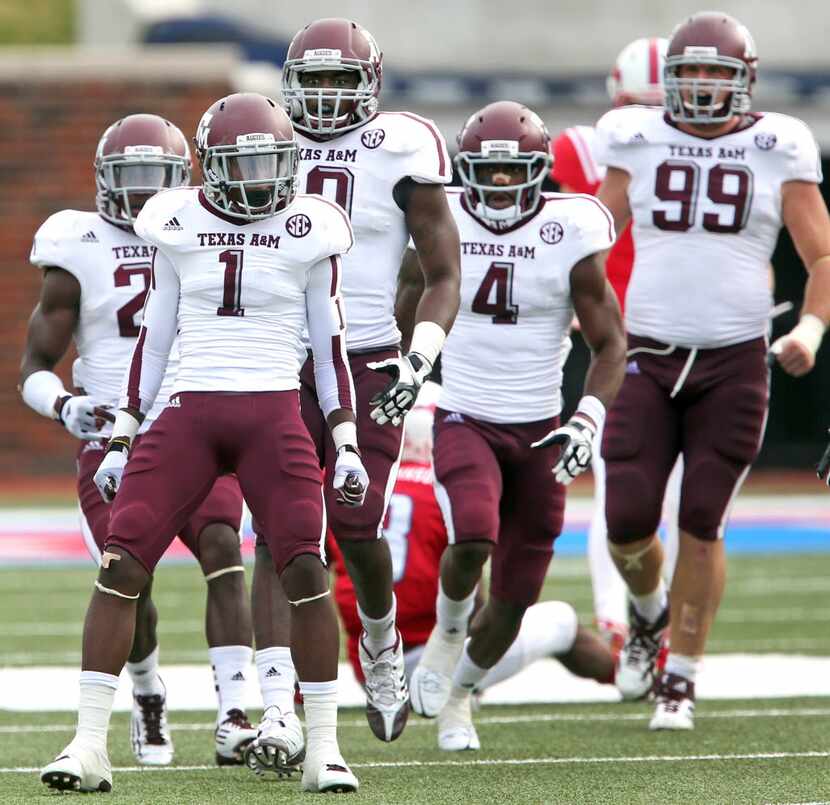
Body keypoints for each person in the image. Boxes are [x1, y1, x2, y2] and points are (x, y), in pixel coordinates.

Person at [40, 93, 367, 794]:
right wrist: (127, 426)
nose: (260, 179)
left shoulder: (313, 226)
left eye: (272, 162)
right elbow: (155, 337)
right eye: (244, 163)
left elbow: (329, 342)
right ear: (212, 168)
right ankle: (88, 741)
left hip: (274, 411)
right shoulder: (174, 220)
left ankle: (324, 748)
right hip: (186, 410)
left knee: (305, 568)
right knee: (122, 560)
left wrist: (345, 437)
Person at [594, 11, 830, 730]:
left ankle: (681, 677)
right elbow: (591, 236)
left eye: (714, 74)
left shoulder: (778, 143)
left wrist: (812, 328)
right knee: (625, 518)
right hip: (647, 352)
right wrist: (580, 305)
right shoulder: (635, 136)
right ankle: (647, 612)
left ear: (744, 82)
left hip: (733, 361)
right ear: (668, 79)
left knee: (703, 518)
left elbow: (821, 255)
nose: (699, 86)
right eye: (688, 72)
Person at [245, 16, 460, 771]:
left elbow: (440, 275)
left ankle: (379, 639)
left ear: (369, 84)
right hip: (276, 358)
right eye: (316, 83)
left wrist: (417, 359)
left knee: (356, 525)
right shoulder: (263, 138)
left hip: (368, 356)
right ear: (289, 87)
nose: (329, 99)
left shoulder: (404, 145)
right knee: (276, 534)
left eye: (343, 81)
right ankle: (277, 706)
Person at [20, 113, 257, 767]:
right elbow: (33, 368)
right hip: (110, 440)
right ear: (103, 182)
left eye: (157, 180)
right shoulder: (78, 245)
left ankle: (235, 713)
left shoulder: (208, 233)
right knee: (132, 580)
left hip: (192, 422)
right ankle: (148, 688)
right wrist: (65, 405)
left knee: (221, 546)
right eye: (130, 180)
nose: (142, 195)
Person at [400, 100, 626, 751]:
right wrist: (408, 370)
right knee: (472, 533)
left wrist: (588, 419)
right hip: (466, 412)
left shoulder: (572, 227)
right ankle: (446, 634)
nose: (499, 184)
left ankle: (460, 697)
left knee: (517, 596)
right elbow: (408, 298)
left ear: (537, 172)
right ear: (466, 171)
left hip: (541, 429)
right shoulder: (443, 217)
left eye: (512, 171)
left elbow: (611, 342)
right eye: (487, 172)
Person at [330, 382, 617, 693]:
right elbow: (473, 602)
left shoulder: (357, 492)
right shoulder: (444, 496)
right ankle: (628, 677)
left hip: (372, 667)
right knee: (562, 621)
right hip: (431, 665)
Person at [552, 37, 683, 651]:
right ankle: (626, 618)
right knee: (623, 482)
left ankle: (654, 620)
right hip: (620, 334)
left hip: (680, 330)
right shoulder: (581, 148)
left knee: (677, 494)